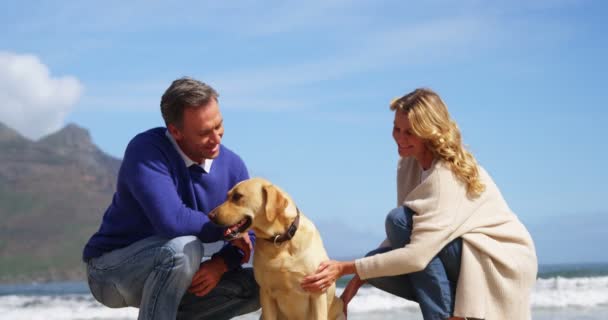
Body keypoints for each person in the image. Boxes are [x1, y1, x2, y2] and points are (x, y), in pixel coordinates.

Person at [301, 88, 537, 320]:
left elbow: (416, 253)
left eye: (409, 132)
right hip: (458, 254)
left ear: (429, 133)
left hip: (497, 261)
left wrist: (345, 267)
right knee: (377, 265)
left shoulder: (445, 176)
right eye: (396, 129)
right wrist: (358, 277)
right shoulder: (409, 164)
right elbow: (403, 237)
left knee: (398, 222)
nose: (400, 138)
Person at [82, 77, 260, 320]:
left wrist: (220, 265)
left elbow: (249, 232)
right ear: (175, 131)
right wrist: (227, 230)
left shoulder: (233, 166)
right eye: (204, 132)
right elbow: (172, 221)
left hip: (178, 275)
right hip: (112, 273)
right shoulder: (146, 150)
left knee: (260, 285)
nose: (217, 139)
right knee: (184, 248)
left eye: (219, 126)